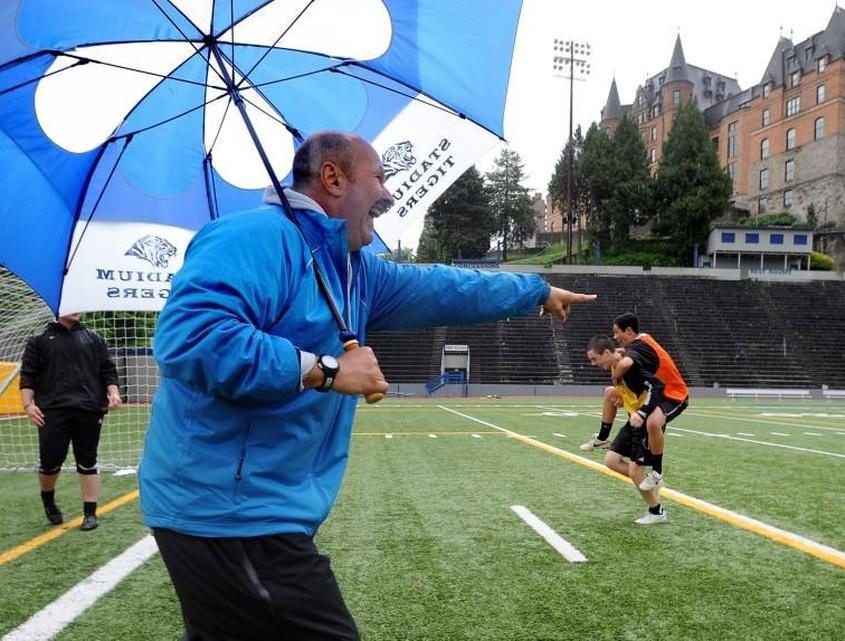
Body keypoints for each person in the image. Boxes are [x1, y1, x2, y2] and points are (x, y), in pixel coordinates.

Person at [139, 131, 595, 640]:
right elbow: (192, 338)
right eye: (378, 176)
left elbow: (445, 287)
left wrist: (534, 291)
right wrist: (327, 371)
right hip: (229, 509)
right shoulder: (253, 238)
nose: (388, 192)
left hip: (254, 507)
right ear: (333, 178)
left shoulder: (354, 271)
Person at [19, 312, 121, 531]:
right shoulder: (39, 339)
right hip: (52, 412)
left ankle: (90, 513)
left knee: (88, 460)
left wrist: (113, 393)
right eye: (71, 304)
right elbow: (28, 375)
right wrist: (29, 405)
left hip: (89, 409)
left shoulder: (93, 338)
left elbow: (108, 370)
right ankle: (48, 500)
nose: (76, 309)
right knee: (50, 463)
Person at [585, 335, 667, 525]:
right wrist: (622, 397)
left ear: (606, 353)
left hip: (644, 421)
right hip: (633, 420)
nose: (592, 364)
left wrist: (644, 412)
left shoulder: (629, 367)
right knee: (611, 460)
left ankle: (657, 511)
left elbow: (657, 384)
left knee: (634, 471)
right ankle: (649, 480)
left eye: (594, 359)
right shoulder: (615, 365)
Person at [611, 313, 688, 498]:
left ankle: (657, 472)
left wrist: (616, 376)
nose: (615, 337)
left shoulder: (639, 346)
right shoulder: (641, 343)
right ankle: (603, 437)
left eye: (617, 332)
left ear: (629, 331)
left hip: (674, 394)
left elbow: (628, 361)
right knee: (647, 421)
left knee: (653, 423)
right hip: (659, 393)